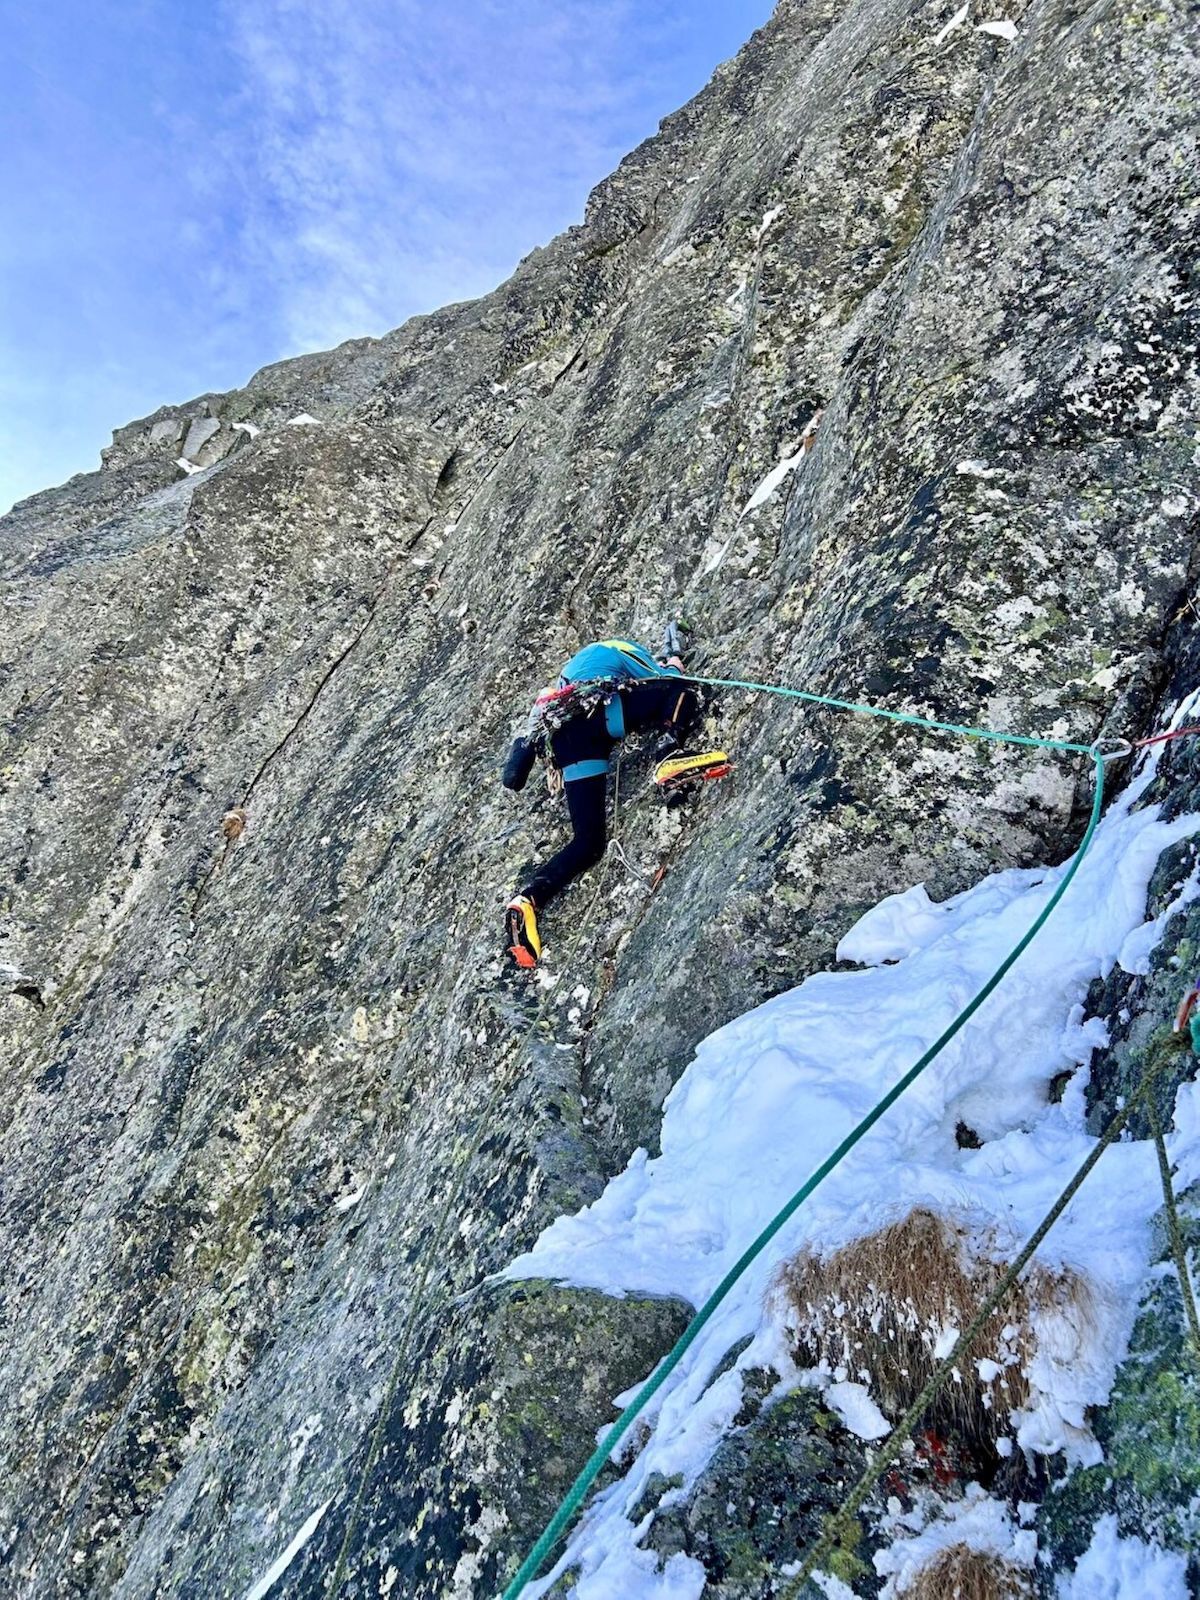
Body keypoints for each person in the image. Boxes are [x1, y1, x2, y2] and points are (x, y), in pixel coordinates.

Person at [501, 633, 721, 967]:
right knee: (682, 691)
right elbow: (662, 680)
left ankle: (528, 899)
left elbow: (514, 775)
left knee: (588, 842)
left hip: (566, 743)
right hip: (598, 717)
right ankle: (669, 756)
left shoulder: (558, 686)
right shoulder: (619, 649)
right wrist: (672, 664)